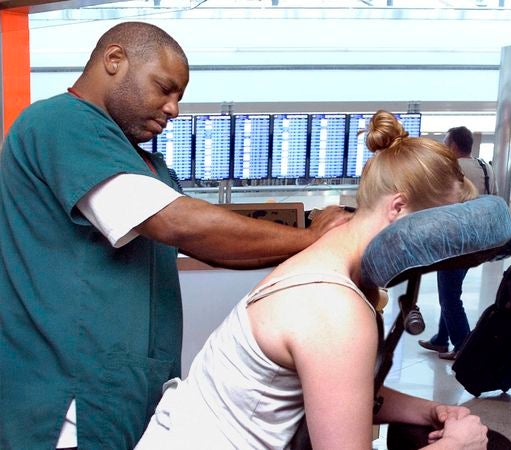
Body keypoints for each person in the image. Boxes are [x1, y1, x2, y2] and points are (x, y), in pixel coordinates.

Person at [0, 22, 349, 450]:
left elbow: (210, 247)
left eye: (178, 97)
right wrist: (314, 239)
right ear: (115, 60)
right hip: (70, 398)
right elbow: (177, 223)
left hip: (129, 391)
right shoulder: (61, 122)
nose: (173, 109)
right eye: (164, 88)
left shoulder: (142, 160)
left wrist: (317, 244)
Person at [135, 111, 489, 449]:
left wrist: (427, 410)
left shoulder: (325, 266)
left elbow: (337, 391)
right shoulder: (335, 308)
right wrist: (458, 446)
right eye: (435, 232)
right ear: (397, 208)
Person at [418, 126, 497, 360]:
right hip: (478, 239)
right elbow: (494, 198)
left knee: (449, 295)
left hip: (454, 240)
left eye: (445, 143)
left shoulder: (450, 168)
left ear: (453, 145)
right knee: (452, 288)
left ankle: (463, 344)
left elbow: (437, 203)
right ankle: (441, 339)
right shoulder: (485, 167)